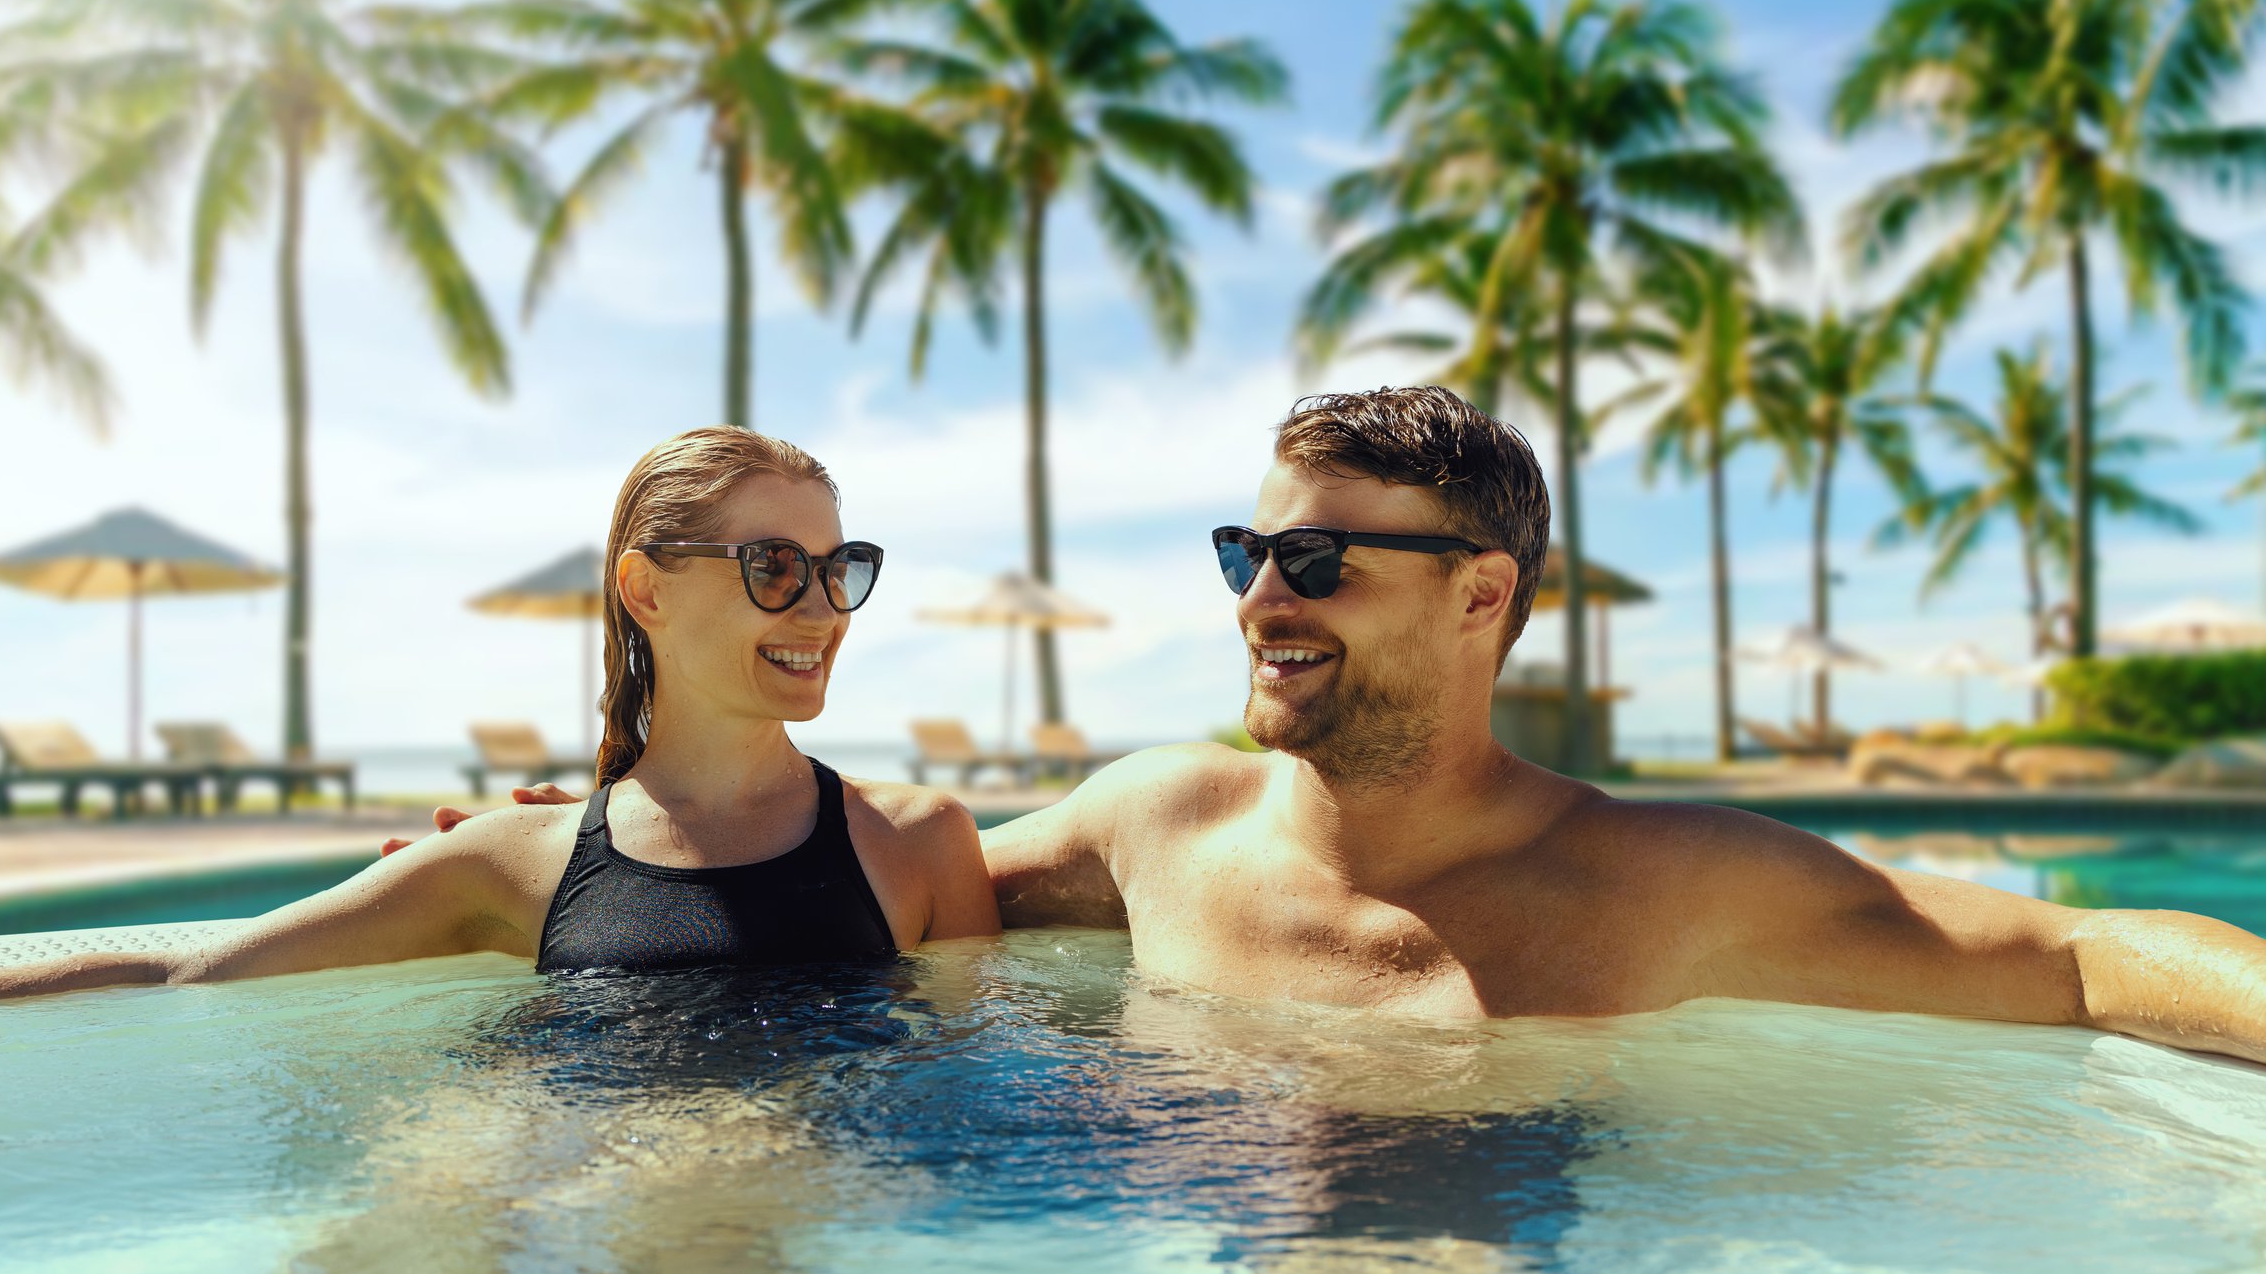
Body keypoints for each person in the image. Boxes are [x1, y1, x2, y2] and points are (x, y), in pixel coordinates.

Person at [421, 385, 2266, 1066]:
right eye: (1247, 548)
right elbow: (855, 865)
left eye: (1313, 556)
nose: (1256, 597)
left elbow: (2088, 948)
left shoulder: (1670, 881)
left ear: (1483, 597)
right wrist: (563, 857)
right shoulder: (1162, 828)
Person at [0, 428, 998, 1008]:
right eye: (771, 565)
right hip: (588, 1239)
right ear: (645, 588)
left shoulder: (918, 842)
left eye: (837, 566)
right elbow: (185, 974)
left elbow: (975, 1104)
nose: (819, 606)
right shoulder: (513, 860)